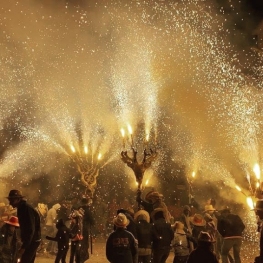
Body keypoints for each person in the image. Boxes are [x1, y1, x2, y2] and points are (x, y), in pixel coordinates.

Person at [6, 189, 41, 263]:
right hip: (32, 239)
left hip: (33, 240)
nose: (10, 203)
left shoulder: (26, 209)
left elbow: (30, 229)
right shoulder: (21, 208)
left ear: (18, 199)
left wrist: (24, 247)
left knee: (25, 261)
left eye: (12, 200)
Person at [78, 197, 95, 262]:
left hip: (78, 229)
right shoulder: (87, 210)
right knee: (84, 243)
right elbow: (92, 221)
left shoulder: (79, 209)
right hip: (84, 228)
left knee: (80, 243)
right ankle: (82, 257)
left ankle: (79, 256)